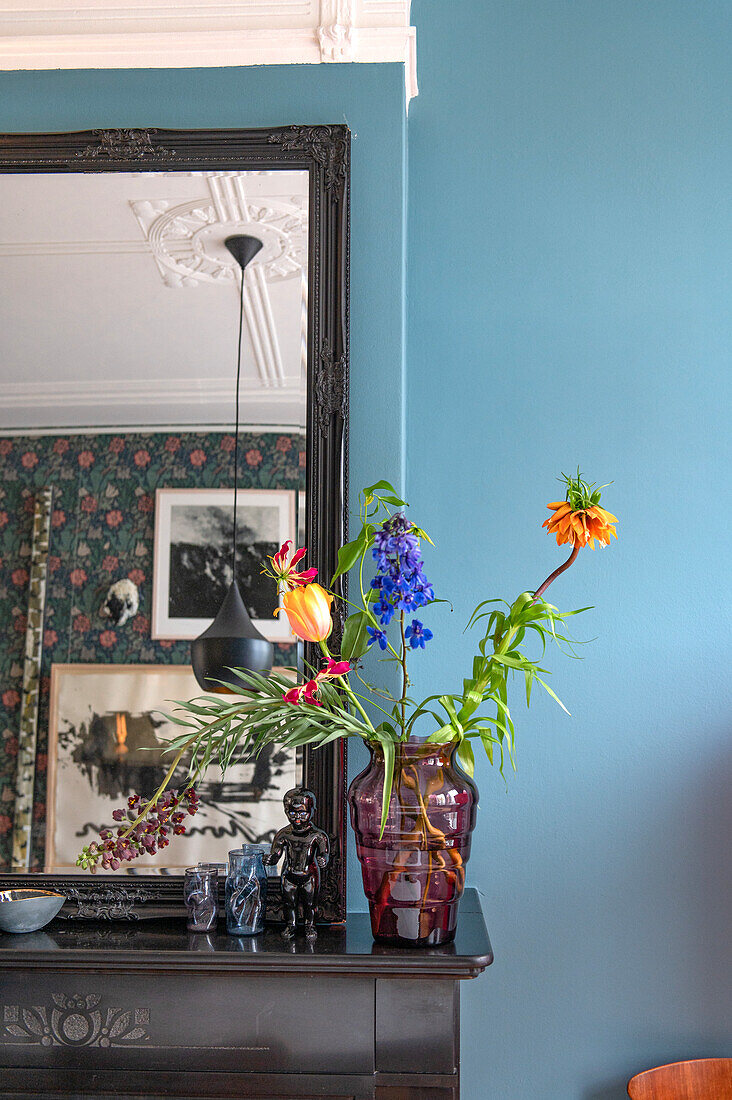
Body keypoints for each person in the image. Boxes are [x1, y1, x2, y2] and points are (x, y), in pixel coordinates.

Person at [266, 787, 329, 940]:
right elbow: (276, 854)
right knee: (288, 904)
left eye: (302, 813)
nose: (297, 818)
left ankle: (309, 926)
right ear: (286, 812)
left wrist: (323, 860)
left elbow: (324, 853)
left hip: (309, 875)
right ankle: (291, 925)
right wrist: (270, 859)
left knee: (310, 905)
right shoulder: (284, 834)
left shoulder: (317, 835)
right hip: (289, 875)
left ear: (312, 811)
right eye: (293, 814)